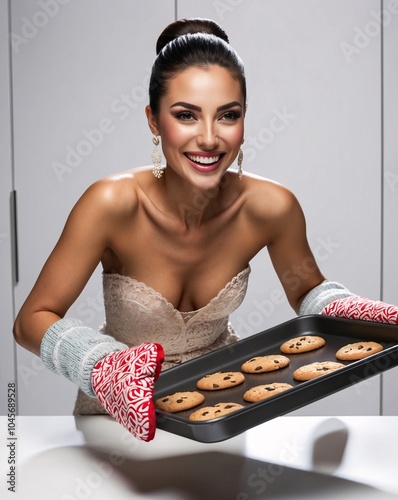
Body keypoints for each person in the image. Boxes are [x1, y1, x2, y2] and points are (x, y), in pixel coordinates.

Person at [13, 18, 398, 442]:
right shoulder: (110, 204)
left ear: (245, 118)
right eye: (186, 115)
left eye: (228, 115)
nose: (210, 138)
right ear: (154, 121)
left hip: (224, 413)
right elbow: (31, 319)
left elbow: (307, 290)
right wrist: (102, 365)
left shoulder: (271, 207)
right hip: (116, 423)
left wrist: (346, 309)